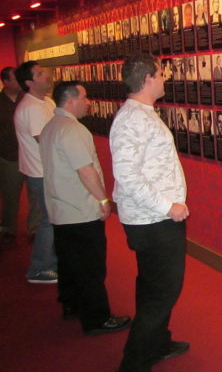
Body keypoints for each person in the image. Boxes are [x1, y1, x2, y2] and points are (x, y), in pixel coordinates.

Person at [109, 53, 190, 371]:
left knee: (152, 286)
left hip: (155, 219)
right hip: (154, 221)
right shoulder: (132, 119)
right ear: (147, 79)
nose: (164, 77)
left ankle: (157, 343)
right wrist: (167, 206)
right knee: (163, 290)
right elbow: (127, 176)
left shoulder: (141, 113)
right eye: (160, 73)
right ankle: (135, 361)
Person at [40, 81, 131, 334]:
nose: (88, 102)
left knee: (69, 263)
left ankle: (71, 305)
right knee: (91, 267)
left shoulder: (51, 126)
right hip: (80, 211)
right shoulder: (72, 130)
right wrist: (103, 200)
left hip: (60, 210)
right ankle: (97, 319)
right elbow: (85, 170)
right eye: (84, 97)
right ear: (70, 100)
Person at [14, 60, 57, 284]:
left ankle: (51, 261)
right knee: (48, 220)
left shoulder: (47, 102)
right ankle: (39, 268)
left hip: (48, 171)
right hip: (40, 173)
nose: (46, 75)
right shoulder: (31, 108)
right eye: (40, 74)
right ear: (29, 82)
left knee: (53, 218)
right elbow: (47, 141)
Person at [0, 67, 24, 246]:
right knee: (10, 196)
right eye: (16, 78)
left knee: (36, 195)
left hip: (30, 155)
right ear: (6, 82)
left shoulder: (27, 99)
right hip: (9, 156)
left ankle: (35, 229)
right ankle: (8, 229)